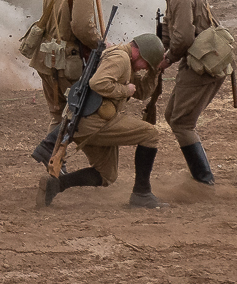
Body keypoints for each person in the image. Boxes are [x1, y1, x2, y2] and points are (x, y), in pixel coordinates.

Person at [41, 33, 167, 209]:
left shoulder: (126, 61)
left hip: (88, 122)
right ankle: (141, 193)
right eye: (146, 64)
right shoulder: (121, 58)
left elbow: (142, 92)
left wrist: (155, 71)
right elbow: (98, 83)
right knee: (150, 134)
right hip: (94, 122)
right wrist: (124, 90)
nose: (144, 68)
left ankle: (57, 185)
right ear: (138, 53)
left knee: (107, 174)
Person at [142, 0, 227, 185]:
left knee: (181, 121)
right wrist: (161, 49)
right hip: (198, 60)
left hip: (202, 64)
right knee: (173, 116)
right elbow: (172, 29)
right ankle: (201, 178)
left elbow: (184, 39)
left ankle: (204, 181)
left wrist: (166, 60)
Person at [33, 0, 107, 122]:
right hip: (66, 63)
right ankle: (52, 151)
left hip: (46, 57)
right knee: (82, 116)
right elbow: (82, 27)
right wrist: (100, 44)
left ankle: (48, 152)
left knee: (58, 117)